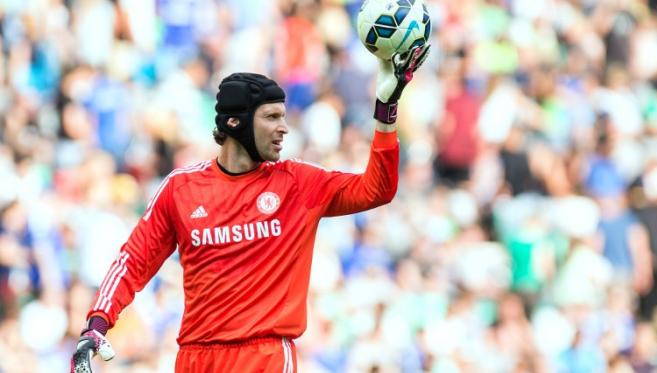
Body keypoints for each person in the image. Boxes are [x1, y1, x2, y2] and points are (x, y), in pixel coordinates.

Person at [70, 44, 430, 373]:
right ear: (234, 122)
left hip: (264, 358)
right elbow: (133, 261)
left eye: (283, 117)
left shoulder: (298, 183)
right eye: (271, 117)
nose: (284, 128)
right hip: (196, 358)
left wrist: (386, 111)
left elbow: (377, 189)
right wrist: (97, 325)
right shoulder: (181, 189)